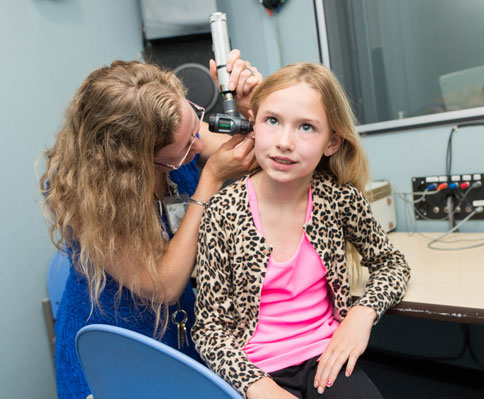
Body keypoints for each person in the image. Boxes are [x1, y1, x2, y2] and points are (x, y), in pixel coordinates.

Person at [39, 50, 261, 399]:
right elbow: (164, 286)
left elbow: (255, 154)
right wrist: (210, 179)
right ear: (136, 158)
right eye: (187, 145)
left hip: (181, 334)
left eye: (195, 123)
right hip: (117, 354)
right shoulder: (90, 198)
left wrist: (253, 110)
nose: (200, 143)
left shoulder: (177, 128)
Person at [191, 62, 411, 399]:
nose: (284, 142)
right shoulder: (223, 212)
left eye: (306, 127)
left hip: (325, 358)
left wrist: (361, 315)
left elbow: (391, 264)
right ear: (253, 125)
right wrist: (258, 386)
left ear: (332, 142)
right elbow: (209, 329)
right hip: (251, 369)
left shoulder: (338, 198)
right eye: (272, 121)